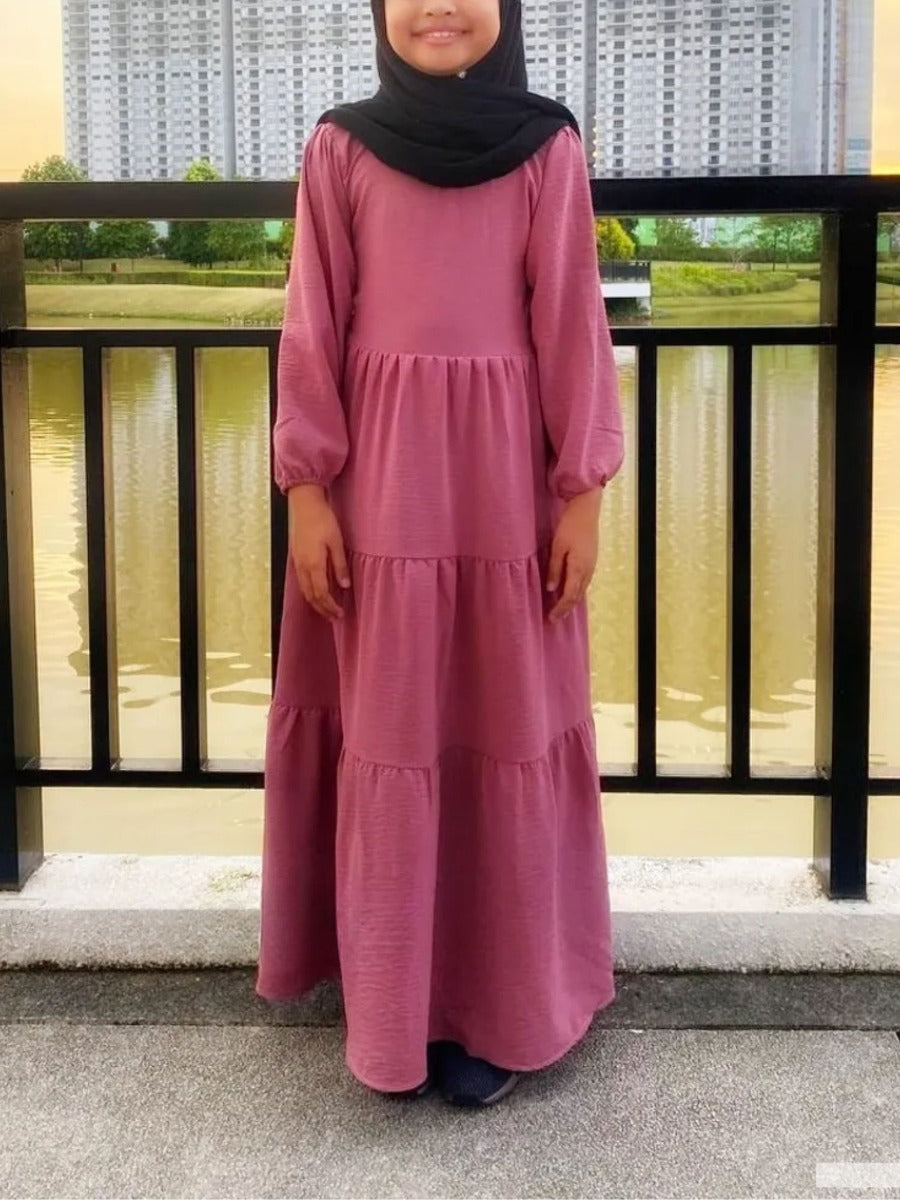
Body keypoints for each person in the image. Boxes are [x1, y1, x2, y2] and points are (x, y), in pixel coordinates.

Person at [255, 0, 625, 1109]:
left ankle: (498, 1011)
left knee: (502, 725)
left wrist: (583, 492)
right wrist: (307, 488)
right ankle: (394, 1005)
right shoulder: (341, 145)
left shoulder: (546, 145)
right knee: (391, 732)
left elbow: (573, 323)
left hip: (506, 496)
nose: (438, 7)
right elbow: (311, 323)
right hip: (381, 496)